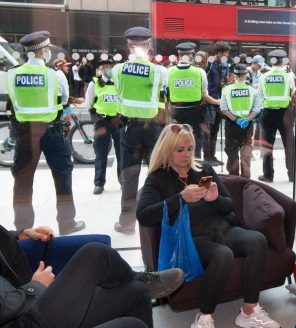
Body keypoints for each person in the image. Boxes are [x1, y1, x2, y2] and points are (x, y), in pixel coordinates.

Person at [136, 124, 280, 328]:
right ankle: (204, 318)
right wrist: (180, 198)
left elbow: (229, 205)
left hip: (221, 229)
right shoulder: (158, 178)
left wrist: (215, 199)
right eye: (180, 150)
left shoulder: (203, 169)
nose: (187, 155)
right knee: (223, 255)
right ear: (167, 150)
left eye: (189, 149)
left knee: (257, 240)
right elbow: (144, 216)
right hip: (191, 239)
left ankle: (249, 311)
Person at [0, 224, 184, 328]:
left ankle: (141, 281)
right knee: (95, 253)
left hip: (25, 307)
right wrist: (34, 288)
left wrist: (20, 234)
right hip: (23, 320)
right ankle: (139, 278)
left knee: (137, 292)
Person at [6, 31, 85, 235]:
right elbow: (64, 98)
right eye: (47, 49)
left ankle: (23, 228)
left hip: (24, 133)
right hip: (51, 131)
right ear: (42, 50)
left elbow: (14, 102)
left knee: (23, 180)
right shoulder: (54, 74)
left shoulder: (13, 73)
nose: (49, 52)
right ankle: (67, 223)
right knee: (62, 175)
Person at [112, 26, 167, 235]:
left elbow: (119, 92)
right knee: (157, 173)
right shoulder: (160, 71)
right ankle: (158, 220)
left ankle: (127, 225)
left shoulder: (118, 70)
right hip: (153, 127)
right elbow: (163, 95)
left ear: (128, 46)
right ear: (149, 46)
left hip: (129, 127)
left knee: (129, 175)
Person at [168, 42, 219, 159]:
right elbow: (204, 93)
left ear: (178, 54)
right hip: (196, 113)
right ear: (191, 55)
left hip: (176, 112)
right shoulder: (199, 72)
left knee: (177, 141)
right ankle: (195, 167)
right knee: (195, 142)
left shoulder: (169, 71)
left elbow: (167, 91)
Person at [83, 56, 121, 195]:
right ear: (100, 69)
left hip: (117, 121)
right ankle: (99, 183)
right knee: (101, 153)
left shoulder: (119, 83)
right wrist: (94, 115)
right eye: (105, 67)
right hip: (102, 121)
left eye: (110, 67)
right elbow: (88, 103)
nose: (108, 69)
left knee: (121, 153)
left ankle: (123, 181)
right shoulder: (95, 83)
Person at [257, 49, 296, 183]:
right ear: (283, 61)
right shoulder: (288, 76)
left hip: (268, 113)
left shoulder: (263, 76)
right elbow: (292, 92)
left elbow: (261, 93)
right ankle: (292, 174)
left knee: (267, 145)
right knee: (289, 144)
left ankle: (268, 175)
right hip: (285, 114)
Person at [220, 63, 262, 178]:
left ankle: (233, 178)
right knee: (246, 153)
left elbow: (223, 109)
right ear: (246, 75)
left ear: (234, 75)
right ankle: (245, 180)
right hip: (246, 125)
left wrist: (236, 120)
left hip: (231, 124)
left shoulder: (227, 89)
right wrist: (247, 119)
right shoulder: (253, 90)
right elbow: (257, 108)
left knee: (232, 153)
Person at [204, 41, 230, 166]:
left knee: (215, 131)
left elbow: (225, 82)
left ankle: (212, 156)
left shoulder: (224, 66)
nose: (227, 56)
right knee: (209, 130)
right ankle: (207, 157)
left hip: (220, 102)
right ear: (219, 54)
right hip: (210, 101)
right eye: (226, 54)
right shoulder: (209, 66)